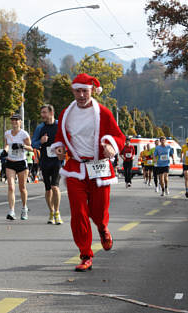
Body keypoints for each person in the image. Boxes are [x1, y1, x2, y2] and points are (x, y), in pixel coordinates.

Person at [52, 73, 125, 272]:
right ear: (73, 91)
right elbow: (60, 136)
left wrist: (111, 146)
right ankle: (85, 254)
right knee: (78, 213)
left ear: (92, 91)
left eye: (85, 90)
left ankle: (102, 228)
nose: (82, 94)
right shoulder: (66, 113)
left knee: (99, 212)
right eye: (78, 90)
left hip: (99, 167)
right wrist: (59, 148)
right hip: (76, 168)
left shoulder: (103, 112)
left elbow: (119, 137)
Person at [32, 104, 63, 225]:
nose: (42, 115)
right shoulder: (40, 127)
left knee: (55, 186)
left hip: (57, 160)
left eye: (44, 113)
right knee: (48, 189)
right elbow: (33, 143)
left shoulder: (59, 125)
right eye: (41, 113)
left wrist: (62, 148)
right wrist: (41, 141)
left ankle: (57, 212)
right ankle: (51, 212)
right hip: (45, 160)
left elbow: (67, 139)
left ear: (51, 113)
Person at [4, 114, 33, 220]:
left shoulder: (24, 134)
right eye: (12, 120)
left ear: (20, 122)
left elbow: (31, 148)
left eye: (16, 120)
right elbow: (6, 145)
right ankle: (11, 211)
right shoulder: (7, 133)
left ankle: (24, 208)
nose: (14, 122)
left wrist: (22, 146)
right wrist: (5, 151)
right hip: (10, 162)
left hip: (21, 162)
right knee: (11, 187)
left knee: (22, 188)